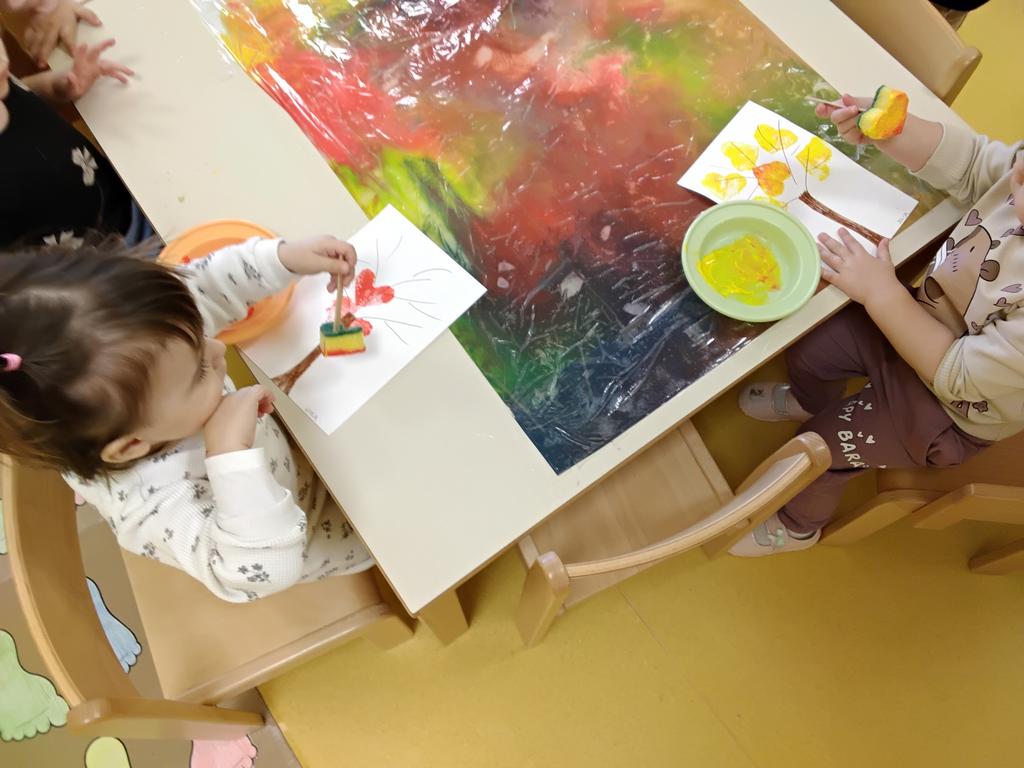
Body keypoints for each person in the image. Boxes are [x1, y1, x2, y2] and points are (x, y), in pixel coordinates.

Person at [0, 234, 374, 601]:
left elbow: (206, 288)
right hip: (332, 525)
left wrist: (281, 259)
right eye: (199, 372)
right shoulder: (159, 504)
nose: (217, 347)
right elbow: (259, 569)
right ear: (131, 445)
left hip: (314, 450)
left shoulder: (147, 346)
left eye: (198, 332)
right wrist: (229, 455)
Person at [732, 93, 1024, 556]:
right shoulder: (1019, 176)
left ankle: (797, 526)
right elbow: (972, 164)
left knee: (821, 448)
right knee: (813, 344)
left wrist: (880, 293)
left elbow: (959, 375)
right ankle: (811, 401)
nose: (1017, 174)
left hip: (949, 409)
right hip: (913, 320)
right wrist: (897, 132)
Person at [1, 19, 145, 247]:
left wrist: (59, 87)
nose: (2, 65)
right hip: (110, 255)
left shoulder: (2, 80)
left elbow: (24, 90)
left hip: (125, 191)